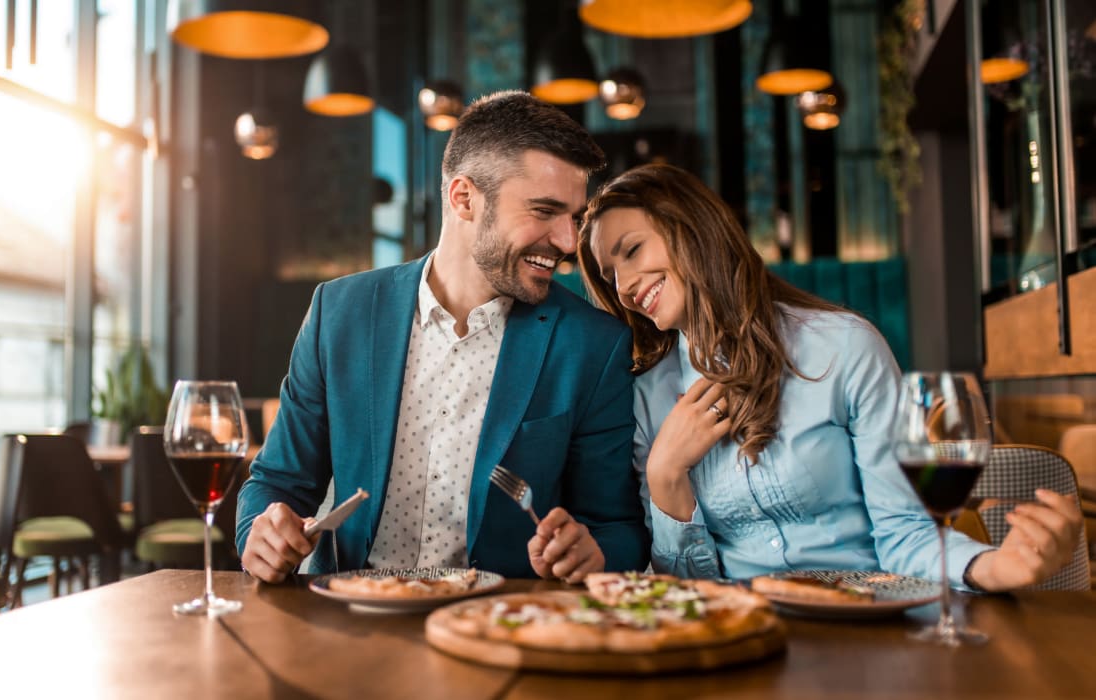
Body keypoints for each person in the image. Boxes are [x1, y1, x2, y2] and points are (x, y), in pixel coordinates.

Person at [576, 163, 1082, 591]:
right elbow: (689, 589)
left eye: (632, 251)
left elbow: (905, 533)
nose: (621, 287)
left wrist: (995, 567)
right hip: (744, 637)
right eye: (608, 273)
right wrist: (666, 475)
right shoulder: (646, 395)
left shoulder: (843, 347)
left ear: (691, 228)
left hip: (868, 625)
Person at [237, 91, 649, 584]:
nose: (566, 242)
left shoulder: (593, 345)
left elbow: (619, 529)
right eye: (544, 211)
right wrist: (259, 532)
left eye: (574, 218)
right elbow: (276, 482)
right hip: (350, 617)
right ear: (463, 198)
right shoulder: (338, 313)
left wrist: (594, 552)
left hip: (497, 627)